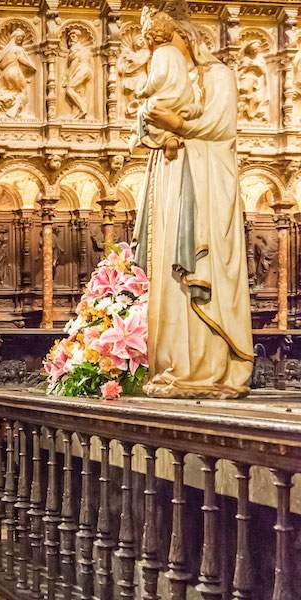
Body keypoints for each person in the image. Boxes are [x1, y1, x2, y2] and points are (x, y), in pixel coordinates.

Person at [133, 5, 253, 398]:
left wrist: (178, 125)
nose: (162, 55)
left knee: (202, 268)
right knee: (170, 276)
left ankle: (206, 368)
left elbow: (219, 126)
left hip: (206, 184)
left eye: (166, 44)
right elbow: (149, 127)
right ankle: (173, 366)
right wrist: (154, 127)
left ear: (184, 37)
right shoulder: (174, 82)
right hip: (173, 183)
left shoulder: (217, 75)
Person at [133, 7, 202, 161]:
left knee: (145, 111)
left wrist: (145, 91)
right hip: (184, 98)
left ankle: (153, 138)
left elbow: (159, 77)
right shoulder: (176, 54)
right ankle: (170, 138)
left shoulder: (160, 53)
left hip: (168, 99)